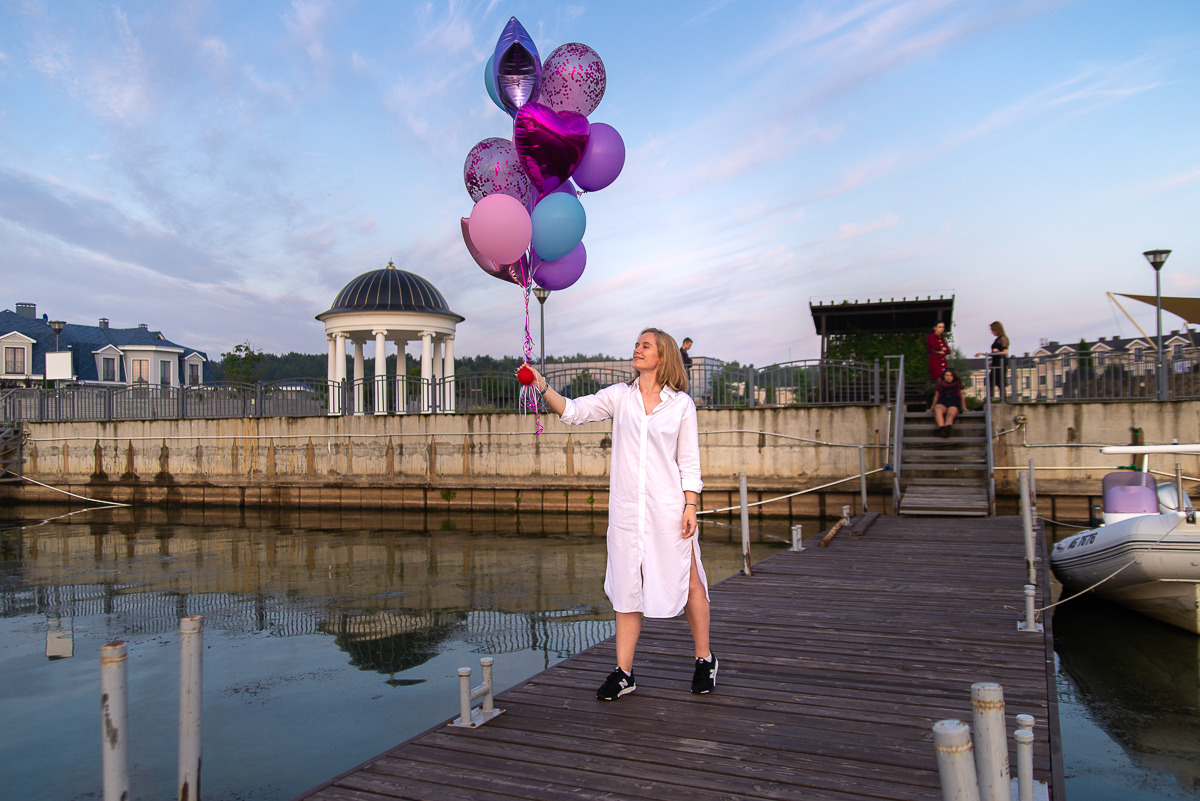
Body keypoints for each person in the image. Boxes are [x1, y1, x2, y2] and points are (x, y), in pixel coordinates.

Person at [521, 328, 716, 700]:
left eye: (645, 345)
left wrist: (691, 504)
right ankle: (624, 673)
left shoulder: (681, 405)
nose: (637, 349)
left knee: (690, 582)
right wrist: (543, 386)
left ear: (663, 355)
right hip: (627, 512)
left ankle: (704, 659)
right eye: (636, 344)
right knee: (627, 589)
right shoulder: (619, 397)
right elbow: (575, 411)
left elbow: (689, 463)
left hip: (669, 509)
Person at [974, 321, 1009, 402]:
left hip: (1001, 363)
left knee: (1000, 382)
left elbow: (1006, 352)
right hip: (995, 363)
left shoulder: (1003, 338)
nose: (991, 332)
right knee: (990, 381)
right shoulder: (997, 339)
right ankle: (990, 399)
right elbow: (993, 353)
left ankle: (1002, 400)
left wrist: (998, 352)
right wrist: (982, 353)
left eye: (992, 330)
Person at [931, 368, 964, 437]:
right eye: (947, 375)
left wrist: (964, 407)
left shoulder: (957, 383)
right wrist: (931, 408)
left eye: (951, 375)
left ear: (954, 376)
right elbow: (936, 396)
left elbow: (962, 396)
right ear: (944, 376)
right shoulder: (940, 382)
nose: (948, 377)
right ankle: (942, 428)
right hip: (943, 400)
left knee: (950, 415)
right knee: (938, 409)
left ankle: (947, 429)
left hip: (954, 400)